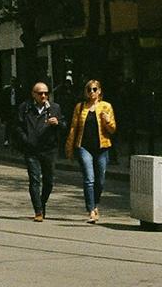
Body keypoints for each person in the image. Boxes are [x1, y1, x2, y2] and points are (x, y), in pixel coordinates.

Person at [65, 79, 117, 223]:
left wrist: (107, 121)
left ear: (99, 91)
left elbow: (112, 130)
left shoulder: (106, 106)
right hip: (84, 147)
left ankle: (96, 203)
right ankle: (91, 209)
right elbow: (73, 128)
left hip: (102, 147)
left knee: (100, 181)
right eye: (89, 90)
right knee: (89, 179)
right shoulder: (80, 107)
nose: (91, 92)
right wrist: (69, 147)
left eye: (94, 89)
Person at [15, 81, 64, 222]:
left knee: (49, 181)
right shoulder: (25, 108)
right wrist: (26, 139)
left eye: (46, 93)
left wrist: (58, 123)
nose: (43, 95)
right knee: (35, 180)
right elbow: (17, 126)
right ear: (33, 94)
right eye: (40, 93)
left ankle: (42, 203)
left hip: (49, 149)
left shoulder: (55, 108)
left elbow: (64, 125)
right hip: (32, 150)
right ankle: (38, 211)